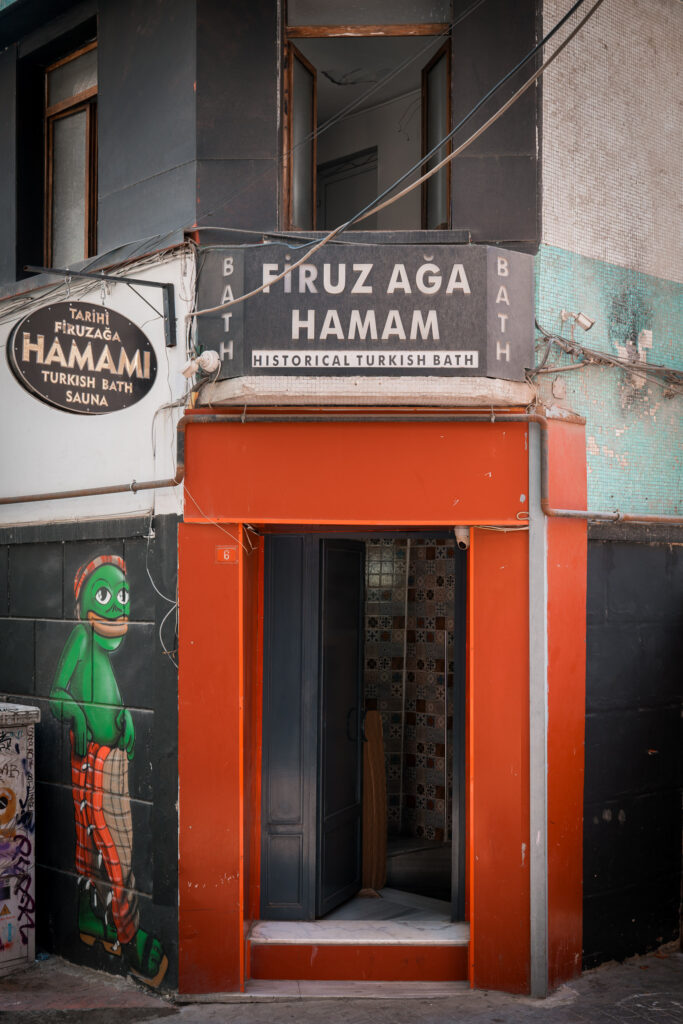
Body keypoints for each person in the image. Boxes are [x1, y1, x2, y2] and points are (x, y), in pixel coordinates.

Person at [49, 555, 167, 988]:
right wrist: (79, 717)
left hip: (111, 759)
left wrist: (127, 721)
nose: (118, 608)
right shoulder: (81, 639)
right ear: (83, 603)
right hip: (94, 759)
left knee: (104, 846)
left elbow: (113, 698)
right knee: (112, 848)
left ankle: (98, 922)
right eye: (106, 596)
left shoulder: (98, 647)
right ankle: (130, 937)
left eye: (123, 596)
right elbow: (57, 694)